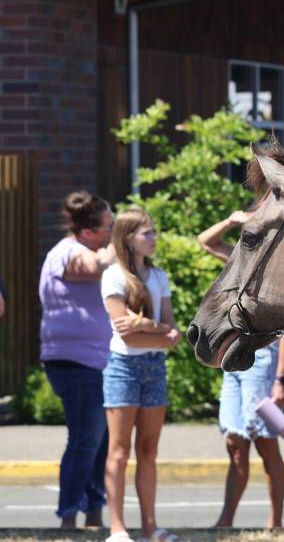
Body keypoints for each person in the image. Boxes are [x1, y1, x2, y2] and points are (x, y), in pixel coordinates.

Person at [197, 208, 284, 529]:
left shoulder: (280, 273)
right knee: (235, 442)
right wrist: (232, 220)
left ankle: (275, 522)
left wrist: (281, 380)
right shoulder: (240, 264)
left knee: (266, 441)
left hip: (263, 363)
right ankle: (225, 520)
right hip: (234, 362)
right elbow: (206, 242)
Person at [100, 208, 181, 542]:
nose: (153, 238)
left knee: (148, 450)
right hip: (123, 368)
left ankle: (150, 527)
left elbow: (173, 336)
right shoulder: (114, 276)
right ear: (128, 237)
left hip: (154, 367)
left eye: (153, 231)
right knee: (118, 451)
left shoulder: (158, 277)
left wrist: (148, 325)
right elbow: (126, 337)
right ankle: (118, 529)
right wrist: (155, 333)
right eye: (146, 233)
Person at [38, 191, 116, 529]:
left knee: (99, 440)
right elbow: (90, 267)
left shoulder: (86, 248)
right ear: (87, 232)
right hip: (73, 362)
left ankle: (93, 511)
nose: (112, 235)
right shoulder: (69, 254)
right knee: (86, 438)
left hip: (94, 360)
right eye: (108, 228)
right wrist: (125, 239)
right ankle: (68, 517)